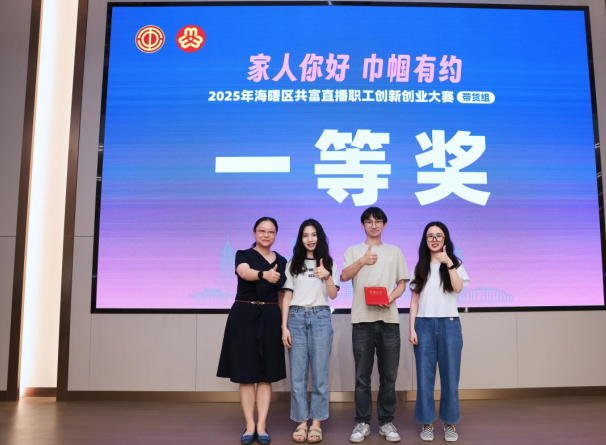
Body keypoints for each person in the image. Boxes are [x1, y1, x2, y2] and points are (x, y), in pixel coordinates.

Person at [341, 207, 409, 443]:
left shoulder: (395, 251)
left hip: (389, 320)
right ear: (362, 225)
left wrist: (389, 298)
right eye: (369, 221)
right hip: (362, 321)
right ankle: (362, 422)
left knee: (389, 376)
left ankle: (386, 421)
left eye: (378, 221)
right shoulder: (353, 251)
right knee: (362, 376)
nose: (373, 225)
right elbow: (344, 276)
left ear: (384, 224)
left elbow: (402, 284)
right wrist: (362, 261)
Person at [217, 217, 287, 445]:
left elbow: (281, 295)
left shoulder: (282, 261)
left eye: (271, 232)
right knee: (246, 375)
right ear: (254, 233)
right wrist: (264, 275)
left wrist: (283, 324)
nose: (266, 235)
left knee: (266, 375)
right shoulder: (243, 255)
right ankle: (249, 425)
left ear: (275, 235)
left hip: (270, 316)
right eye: (262, 231)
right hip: (244, 316)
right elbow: (244, 272)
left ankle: (262, 425)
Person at [408, 222, 470, 443]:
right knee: (424, 377)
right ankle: (427, 422)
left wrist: (449, 264)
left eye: (438, 236)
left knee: (450, 377)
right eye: (430, 236)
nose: (434, 239)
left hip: (449, 324)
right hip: (423, 325)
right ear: (425, 240)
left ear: (445, 239)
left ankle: (450, 423)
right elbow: (414, 301)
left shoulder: (455, 263)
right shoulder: (419, 267)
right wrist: (412, 328)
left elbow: (458, 288)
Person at [281, 219, 340, 444]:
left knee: (320, 375)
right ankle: (301, 422)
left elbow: (333, 295)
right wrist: (284, 326)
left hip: (320, 317)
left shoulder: (329, 263)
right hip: (295, 318)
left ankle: (316, 422)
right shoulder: (292, 264)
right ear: (301, 239)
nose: (310, 239)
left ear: (320, 237)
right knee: (297, 376)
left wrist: (327, 276)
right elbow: (287, 296)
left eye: (314, 234)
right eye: (305, 235)